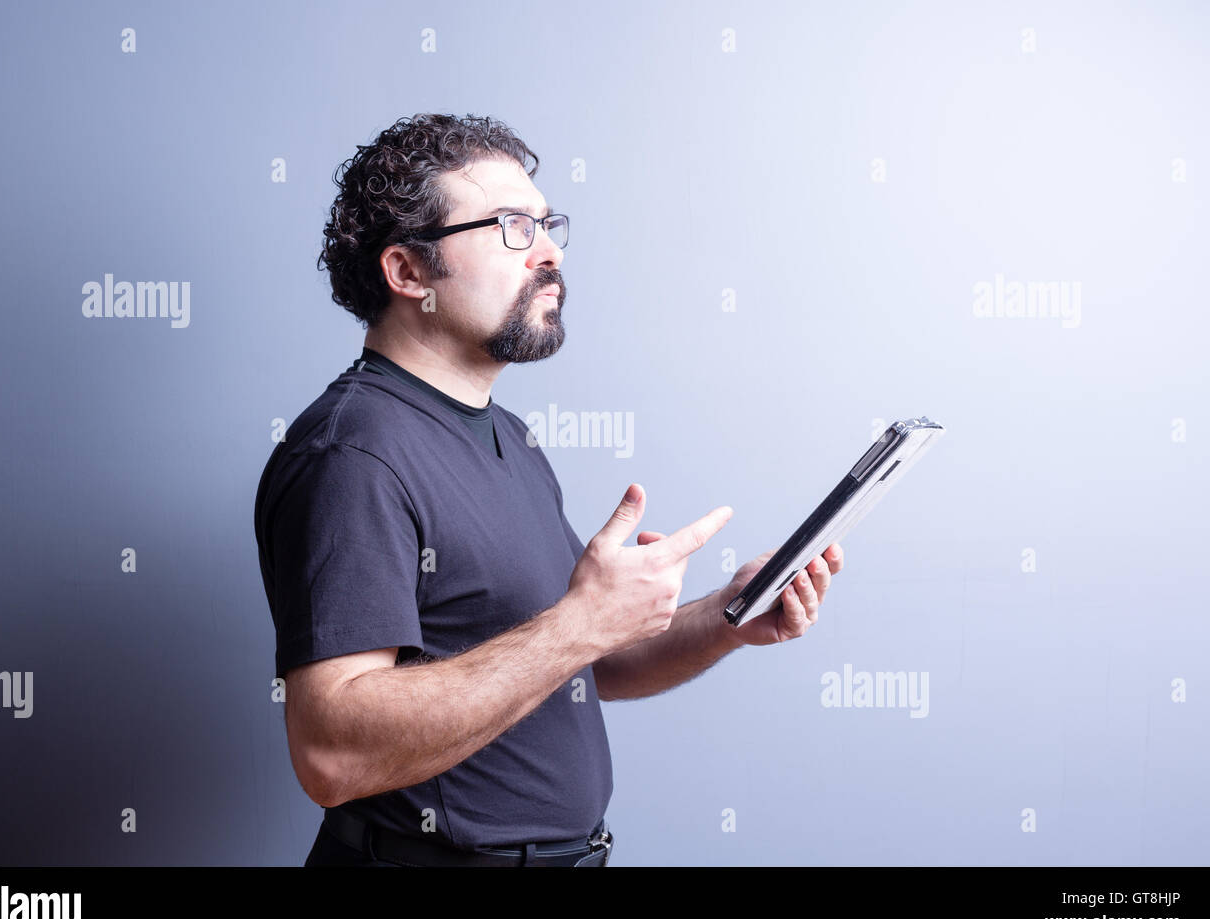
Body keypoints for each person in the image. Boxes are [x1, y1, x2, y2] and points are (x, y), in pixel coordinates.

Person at [253, 113, 844, 867]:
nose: (551, 251)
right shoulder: (356, 454)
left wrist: (729, 615)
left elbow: (584, 660)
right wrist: (581, 623)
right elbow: (330, 755)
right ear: (407, 273)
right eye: (510, 227)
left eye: (546, 223)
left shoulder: (509, 438)